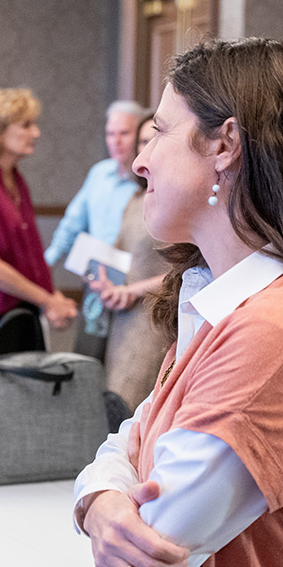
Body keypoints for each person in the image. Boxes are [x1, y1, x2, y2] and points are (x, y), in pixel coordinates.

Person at [73, 38, 283, 567]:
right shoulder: (225, 303)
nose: (140, 160)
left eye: (161, 133)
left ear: (226, 145)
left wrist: (104, 504)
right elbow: (128, 438)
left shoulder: (279, 332)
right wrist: (101, 504)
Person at [0, 88, 76, 357]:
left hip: (22, 309)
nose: (36, 133)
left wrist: (51, 298)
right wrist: (47, 301)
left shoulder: (15, 180)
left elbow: (29, 258)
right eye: (26, 125)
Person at [88, 114, 168, 413]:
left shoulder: (174, 201)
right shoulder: (136, 197)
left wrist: (133, 291)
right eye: (143, 142)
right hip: (123, 319)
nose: (147, 149)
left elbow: (187, 271)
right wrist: (102, 278)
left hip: (155, 319)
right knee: (114, 406)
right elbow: (122, 253)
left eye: (155, 139)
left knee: (139, 409)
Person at [44, 100, 147, 268]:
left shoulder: (149, 181)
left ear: (140, 136)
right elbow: (72, 224)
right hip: (98, 278)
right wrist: (46, 263)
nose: (116, 141)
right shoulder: (99, 173)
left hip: (137, 279)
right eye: (110, 134)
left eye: (124, 133)